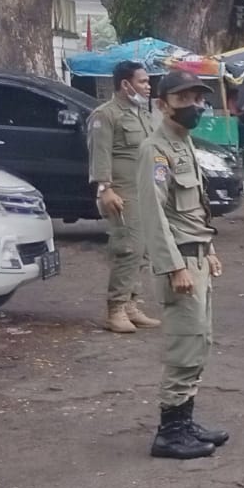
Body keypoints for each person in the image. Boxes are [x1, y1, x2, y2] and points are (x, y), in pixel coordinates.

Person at [135, 70, 231, 461]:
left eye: (198, 98)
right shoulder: (155, 150)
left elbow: (194, 208)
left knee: (199, 341)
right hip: (180, 262)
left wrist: (209, 248)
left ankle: (185, 421)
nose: (195, 106)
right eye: (183, 99)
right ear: (162, 105)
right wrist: (174, 267)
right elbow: (154, 214)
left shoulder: (182, 142)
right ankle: (170, 433)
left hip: (196, 255)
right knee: (184, 345)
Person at [88, 60, 161, 335]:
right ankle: (115, 309)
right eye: (143, 81)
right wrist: (105, 189)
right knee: (128, 248)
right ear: (125, 84)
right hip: (122, 192)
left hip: (145, 190)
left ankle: (132, 305)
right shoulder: (105, 115)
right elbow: (100, 154)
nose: (148, 86)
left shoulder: (141, 113)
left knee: (143, 251)